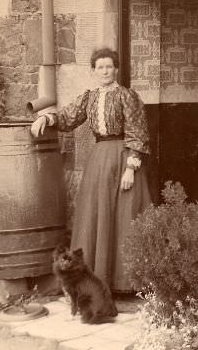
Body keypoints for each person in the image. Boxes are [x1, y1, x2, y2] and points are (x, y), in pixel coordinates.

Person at [30, 47, 151, 292]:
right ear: (94, 71)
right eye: (100, 67)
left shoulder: (127, 96)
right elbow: (68, 117)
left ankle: (125, 283)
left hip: (123, 159)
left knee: (122, 218)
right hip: (99, 161)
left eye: (109, 66)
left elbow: (138, 133)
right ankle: (97, 280)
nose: (105, 71)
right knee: (97, 216)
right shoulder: (90, 97)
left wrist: (131, 167)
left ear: (116, 69)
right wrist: (46, 118)